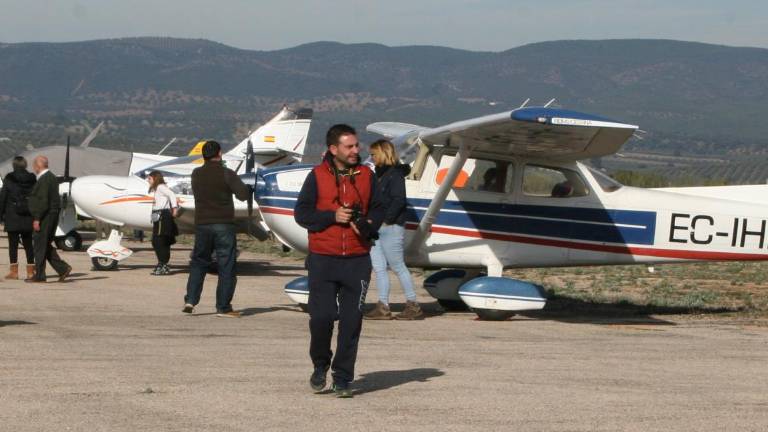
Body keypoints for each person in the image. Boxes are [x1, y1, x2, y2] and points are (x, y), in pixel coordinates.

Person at [295, 124, 384, 398]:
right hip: (323, 259)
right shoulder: (317, 176)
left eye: (357, 145)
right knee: (321, 318)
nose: (356, 151)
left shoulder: (368, 176)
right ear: (334, 149)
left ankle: (343, 377)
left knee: (351, 321)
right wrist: (331, 217)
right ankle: (320, 364)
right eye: (350, 146)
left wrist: (368, 225)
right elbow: (302, 214)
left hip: (357, 260)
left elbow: (380, 209)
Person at [183, 141, 250, 317]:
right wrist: (249, 188)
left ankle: (190, 300)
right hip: (223, 224)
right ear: (219, 153)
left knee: (199, 262)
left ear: (203, 155)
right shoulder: (227, 174)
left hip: (202, 224)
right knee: (226, 265)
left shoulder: (196, 174)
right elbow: (242, 195)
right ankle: (223, 307)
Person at [364, 139, 424, 320]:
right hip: (376, 227)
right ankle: (383, 306)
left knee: (398, 266)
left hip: (390, 227)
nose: (371, 158)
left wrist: (387, 221)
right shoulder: (379, 175)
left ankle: (413, 305)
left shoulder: (394, 175)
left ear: (382, 153)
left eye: (373, 154)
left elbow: (399, 200)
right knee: (379, 268)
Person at [26, 156, 71, 283]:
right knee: (45, 245)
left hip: (45, 216)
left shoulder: (45, 179)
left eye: (34, 165)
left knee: (40, 245)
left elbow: (42, 201)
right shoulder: (51, 177)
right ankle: (63, 269)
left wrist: (37, 218)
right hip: (51, 215)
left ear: (38, 166)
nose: (33, 168)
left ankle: (40, 275)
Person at [0, 156, 36, 281]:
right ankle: (31, 272)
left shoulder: (9, 178)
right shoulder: (32, 179)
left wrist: (0, 215)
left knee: (13, 245)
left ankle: (14, 272)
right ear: (25, 165)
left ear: (14, 165)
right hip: (28, 216)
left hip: (12, 216)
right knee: (28, 245)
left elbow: (3, 198)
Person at [147, 171, 179, 276]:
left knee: (158, 240)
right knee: (159, 240)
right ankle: (163, 263)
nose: (148, 180)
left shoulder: (160, 187)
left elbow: (171, 195)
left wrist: (174, 209)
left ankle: (163, 264)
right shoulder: (157, 189)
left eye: (150, 178)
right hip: (158, 216)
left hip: (162, 216)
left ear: (155, 178)